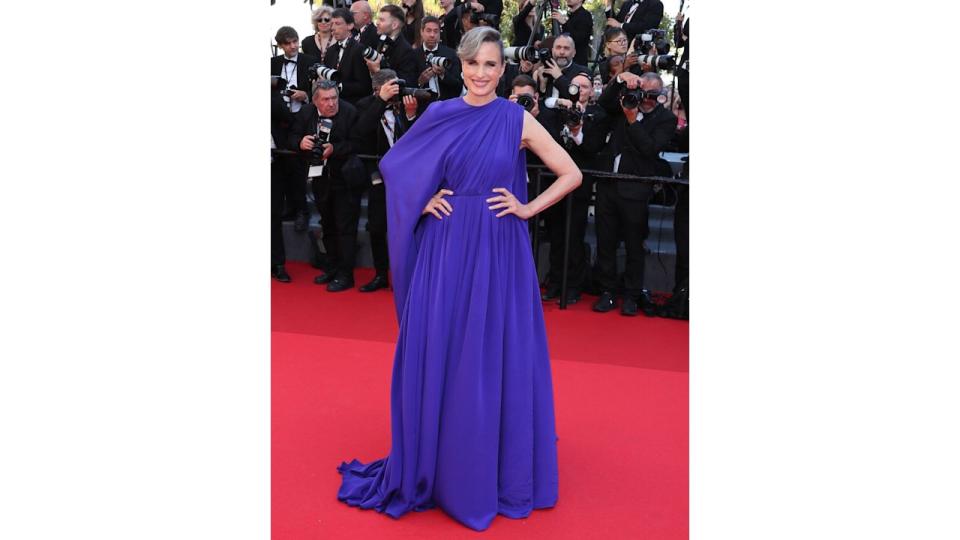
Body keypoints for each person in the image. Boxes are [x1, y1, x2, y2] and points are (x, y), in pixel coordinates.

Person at [336, 26, 582, 532]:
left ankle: (484, 466)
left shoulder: (516, 119)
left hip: (498, 249)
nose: (481, 73)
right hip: (446, 248)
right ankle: (440, 464)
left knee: (490, 352)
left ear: (502, 69)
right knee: (443, 347)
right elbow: (395, 163)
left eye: (491, 65)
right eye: (473, 63)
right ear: (460, 65)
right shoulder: (440, 114)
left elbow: (570, 172)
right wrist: (422, 198)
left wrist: (527, 207)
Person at [593, 70, 676, 316]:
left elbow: (650, 149)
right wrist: (621, 79)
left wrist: (633, 121)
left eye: (653, 95)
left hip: (636, 190)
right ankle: (607, 292)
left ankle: (631, 295)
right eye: (644, 93)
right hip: (608, 185)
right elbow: (604, 102)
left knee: (634, 246)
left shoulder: (666, 119)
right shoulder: (624, 104)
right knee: (605, 243)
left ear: (661, 95)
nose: (647, 99)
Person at [289, 80, 364, 292]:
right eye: (326, 99)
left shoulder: (350, 112)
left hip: (346, 179)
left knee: (345, 228)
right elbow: (292, 136)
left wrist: (335, 149)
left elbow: (358, 143)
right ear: (315, 101)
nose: (331, 103)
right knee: (328, 225)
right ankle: (332, 267)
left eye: (334, 98)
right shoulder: (306, 114)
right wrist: (300, 142)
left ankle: (346, 274)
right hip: (320, 178)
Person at [541, 73, 609, 304]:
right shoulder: (556, 110)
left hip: (580, 183)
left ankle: (572, 285)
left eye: (585, 86)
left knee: (575, 235)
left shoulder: (598, 115)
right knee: (556, 234)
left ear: (592, 90)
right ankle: (554, 282)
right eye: (575, 85)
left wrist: (578, 131)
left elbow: (593, 148)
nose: (579, 89)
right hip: (553, 181)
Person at [351, 69, 421, 292]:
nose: (396, 90)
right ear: (378, 88)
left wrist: (411, 115)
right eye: (390, 86)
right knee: (377, 226)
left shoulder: (405, 103)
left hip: (407, 176)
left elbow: (416, 140)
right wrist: (381, 100)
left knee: (410, 225)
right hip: (378, 175)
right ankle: (381, 274)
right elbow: (362, 131)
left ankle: (410, 274)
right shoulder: (364, 105)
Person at [271, 26, 320, 233]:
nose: (292, 46)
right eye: (288, 43)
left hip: (302, 118)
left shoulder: (309, 61)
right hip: (279, 120)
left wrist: (305, 95)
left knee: (298, 166)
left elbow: (320, 90)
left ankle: (302, 210)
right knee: (282, 166)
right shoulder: (272, 64)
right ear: (281, 46)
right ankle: (289, 207)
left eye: (295, 41)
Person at [323, 8, 372, 106]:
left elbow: (364, 86)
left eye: (337, 23)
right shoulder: (330, 51)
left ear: (350, 25)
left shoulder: (359, 49)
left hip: (354, 107)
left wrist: (340, 87)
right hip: (333, 105)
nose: (332, 28)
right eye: (332, 24)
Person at [366, 4, 420, 84]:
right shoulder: (382, 41)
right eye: (378, 19)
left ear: (394, 25)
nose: (377, 22)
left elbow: (404, 83)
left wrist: (377, 71)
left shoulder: (406, 51)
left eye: (382, 20)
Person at [415, 16, 463, 101]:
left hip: (446, 104)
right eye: (428, 31)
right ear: (421, 32)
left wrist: (443, 74)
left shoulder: (451, 54)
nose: (432, 35)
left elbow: (458, 85)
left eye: (436, 31)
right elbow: (407, 86)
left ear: (439, 34)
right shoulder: (413, 55)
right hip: (421, 106)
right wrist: (420, 82)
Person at [553, 0, 593, 67]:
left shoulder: (585, 15)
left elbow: (579, 39)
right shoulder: (571, 16)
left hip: (578, 64)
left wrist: (564, 23)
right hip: (568, 63)